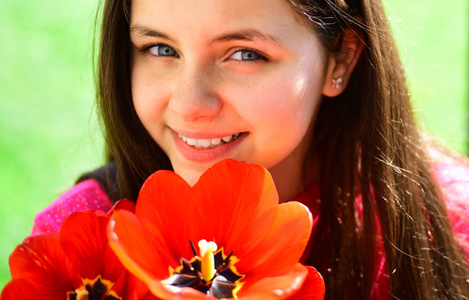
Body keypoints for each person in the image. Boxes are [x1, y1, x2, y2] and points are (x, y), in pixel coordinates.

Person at [31, 0, 469, 298]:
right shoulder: (79, 236)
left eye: (244, 54)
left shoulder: (446, 225)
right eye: (160, 48)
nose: (189, 104)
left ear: (340, 61)